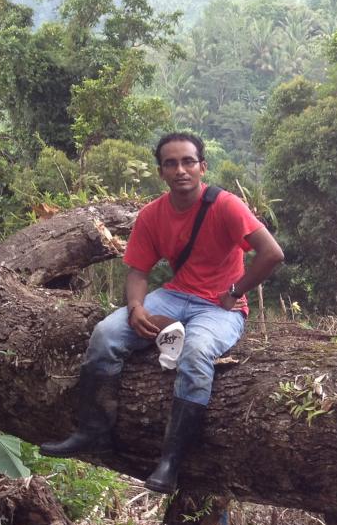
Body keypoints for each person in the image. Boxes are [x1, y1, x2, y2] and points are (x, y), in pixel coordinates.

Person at [40, 132, 284, 493]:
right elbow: (138, 270)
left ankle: (171, 462)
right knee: (107, 334)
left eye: (188, 162)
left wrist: (236, 291)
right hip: (174, 296)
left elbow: (272, 253)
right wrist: (136, 307)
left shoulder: (226, 206)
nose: (181, 170)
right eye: (171, 163)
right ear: (161, 172)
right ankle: (92, 431)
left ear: (202, 166)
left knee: (197, 352)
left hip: (219, 307)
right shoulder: (153, 215)